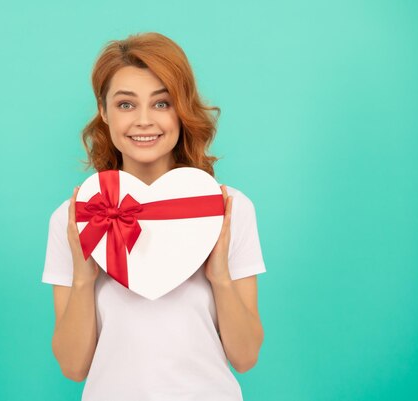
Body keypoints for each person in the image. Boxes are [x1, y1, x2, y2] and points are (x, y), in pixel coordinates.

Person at [42, 32, 267, 401]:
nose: (144, 121)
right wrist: (83, 281)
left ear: (182, 109)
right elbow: (73, 367)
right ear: (103, 110)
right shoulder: (77, 217)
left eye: (161, 104)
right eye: (126, 105)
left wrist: (220, 277)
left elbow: (245, 358)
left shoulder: (228, 209)